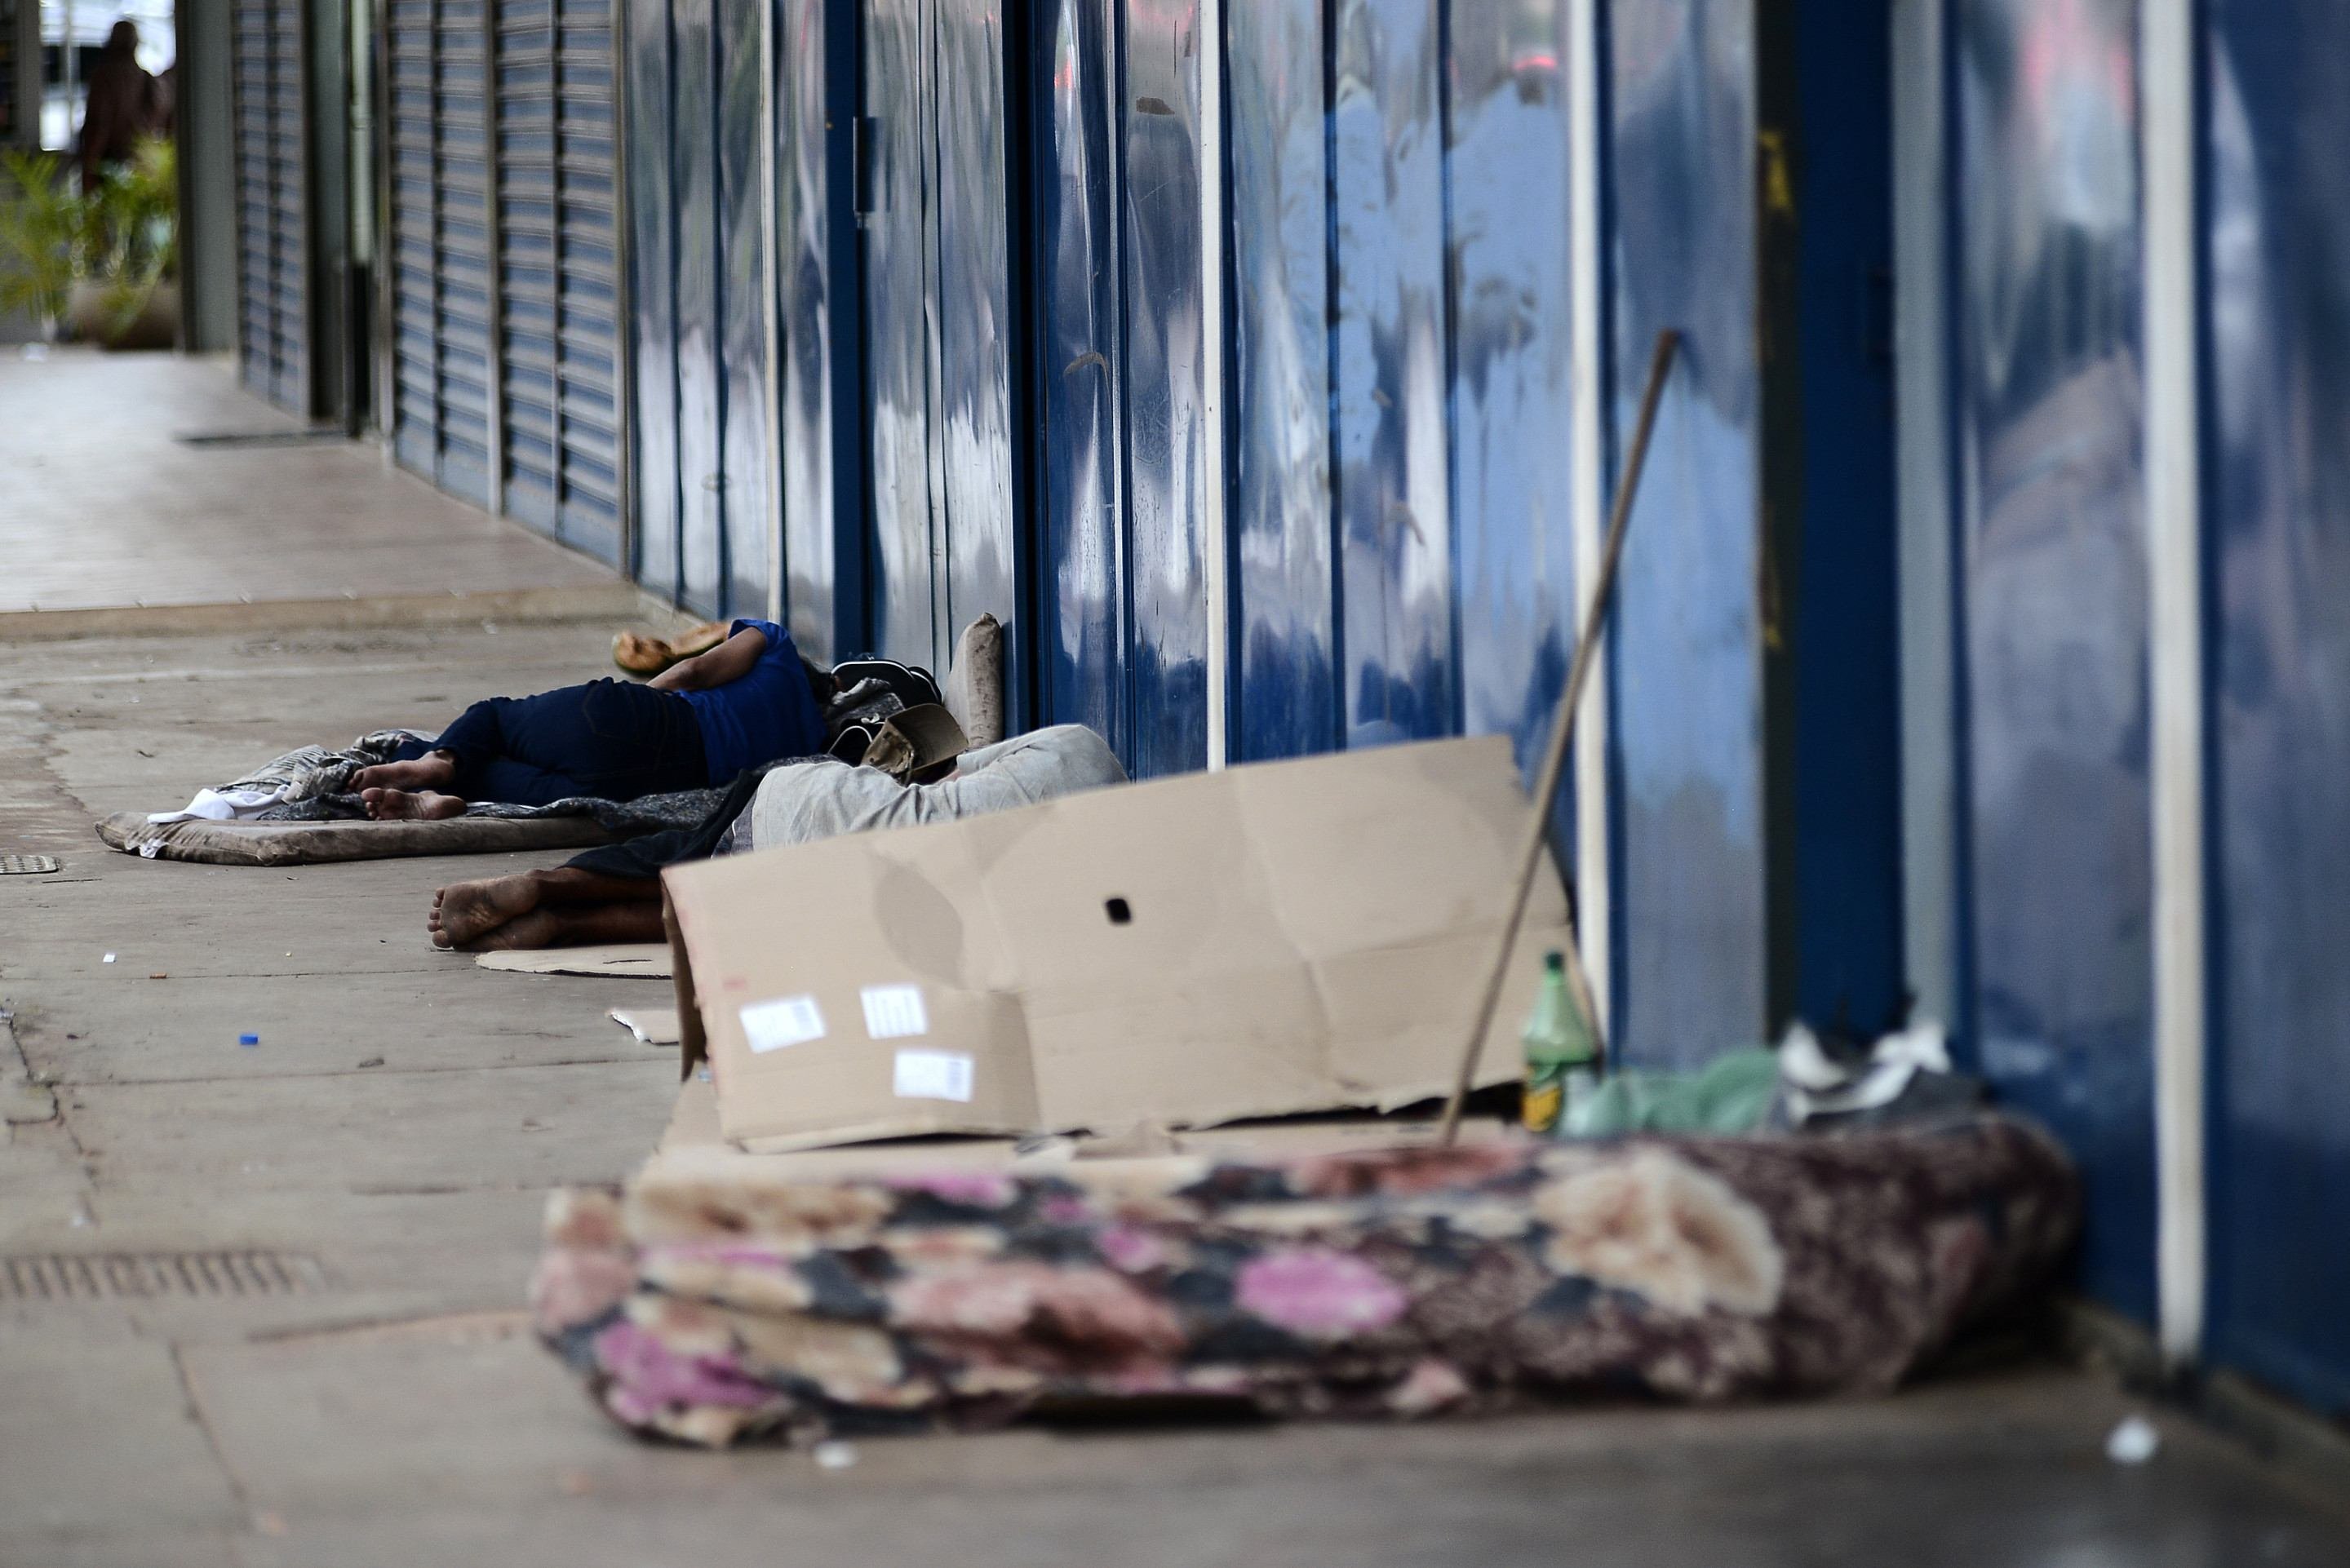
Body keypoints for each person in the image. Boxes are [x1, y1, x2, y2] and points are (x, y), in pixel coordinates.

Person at [427, 724, 1128, 950]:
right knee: (709, 913)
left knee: (668, 855)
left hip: (811, 805)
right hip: (852, 890)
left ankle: (549, 885)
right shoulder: (1070, 872)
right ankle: (561, 923)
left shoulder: (1079, 745)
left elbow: (940, 776)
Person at [352, 619, 828, 819]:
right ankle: (444, 793)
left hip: (650, 720)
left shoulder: (777, 646)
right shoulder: (815, 741)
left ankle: (436, 762)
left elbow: (693, 670)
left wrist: (641, 703)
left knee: (494, 719)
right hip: (657, 782)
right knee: (508, 776)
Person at [79, 21, 164, 193]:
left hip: (110, 167)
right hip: (138, 166)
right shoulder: (144, 78)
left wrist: (89, 171)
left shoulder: (105, 78)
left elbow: (99, 126)